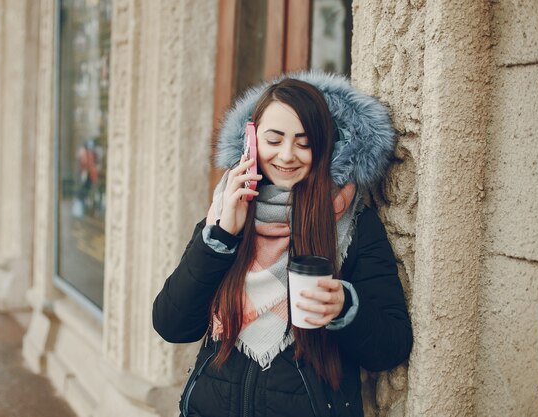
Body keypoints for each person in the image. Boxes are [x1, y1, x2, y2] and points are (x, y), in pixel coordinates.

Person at [153, 71, 412, 417]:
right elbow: (172, 324)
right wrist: (220, 236)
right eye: (274, 140)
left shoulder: (354, 223)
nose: (287, 155)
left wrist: (345, 308)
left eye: (304, 143)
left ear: (323, 146)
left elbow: (391, 345)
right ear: (252, 141)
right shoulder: (227, 209)